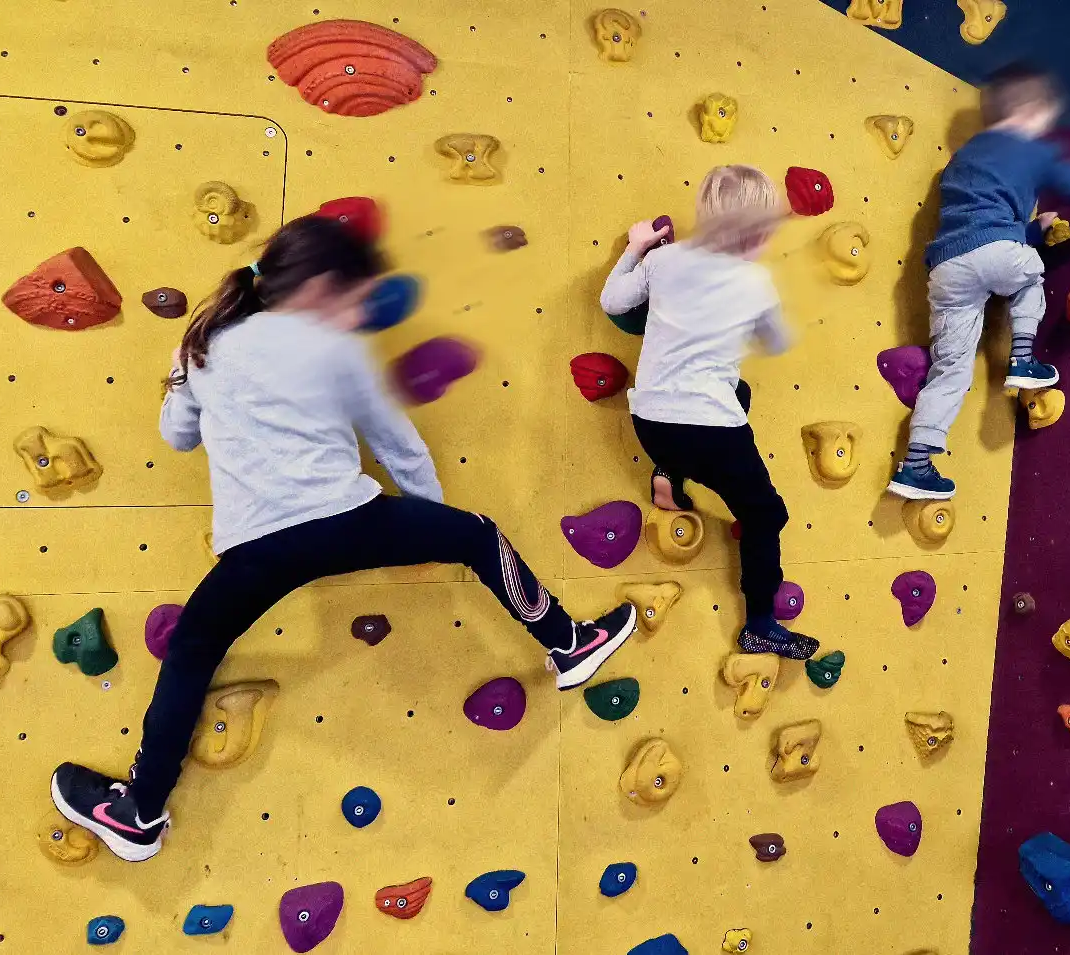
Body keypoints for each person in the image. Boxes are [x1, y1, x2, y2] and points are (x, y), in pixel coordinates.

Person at [50, 216, 637, 863]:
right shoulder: (337, 348)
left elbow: (177, 436)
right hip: (348, 521)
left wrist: (186, 375)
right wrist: (430, 525)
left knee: (193, 650)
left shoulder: (205, 344)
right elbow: (398, 445)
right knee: (476, 535)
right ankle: (568, 642)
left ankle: (141, 810)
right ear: (321, 287)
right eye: (356, 296)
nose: (360, 311)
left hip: (255, 547)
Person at [887, 62, 1070, 501]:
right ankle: (1022, 358)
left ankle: (915, 464)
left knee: (950, 369)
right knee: (1029, 276)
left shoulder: (961, 161)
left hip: (946, 268)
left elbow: (976, 219)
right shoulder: (1031, 150)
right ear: (1032, 110)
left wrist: (1031, 231)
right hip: (996, 250)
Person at [600, 164, 820, 662]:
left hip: (651, 423)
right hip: (712, 432)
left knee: (737, 391)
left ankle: (667, 474)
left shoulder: (664, 259)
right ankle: (760, 626)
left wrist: (636, 248)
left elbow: (612, 301)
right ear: (758, 228)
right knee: (767, 514)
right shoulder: (755, 280)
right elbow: (778, 341)